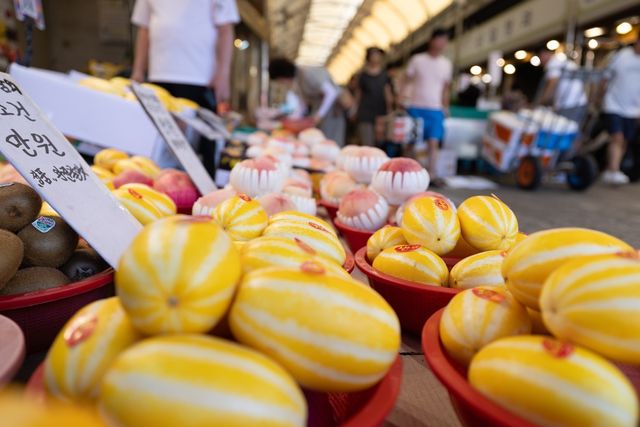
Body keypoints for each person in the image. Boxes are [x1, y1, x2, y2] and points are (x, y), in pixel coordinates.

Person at [130, 0, 239, 175]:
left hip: (200, 77)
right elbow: (144, 29)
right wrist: (138, 70)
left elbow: (225, 29)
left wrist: (223, 74)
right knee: (156, 145)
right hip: (158, 76)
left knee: (202, 148)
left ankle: (205, 189)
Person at [400, 29, 452, 185]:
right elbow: (406, 79)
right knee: (410, 142)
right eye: (439, 40)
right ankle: (406, 172)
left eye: (445, 41)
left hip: (435, 109)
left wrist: (445, 106)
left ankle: (432, 174)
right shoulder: (417, 60)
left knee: (433, 142)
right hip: (415, 106)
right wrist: (401, 97)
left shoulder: (446, 64)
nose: (442, 44)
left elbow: (445, 88)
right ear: (431, 40)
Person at [268, 58, 346, 146]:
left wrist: (319, 115)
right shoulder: (296, 81)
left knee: (331, 141)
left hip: (332, 111)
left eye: (280, 81)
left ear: (283, 75)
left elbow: (331, 92)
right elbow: (302, 104)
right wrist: (296, 121)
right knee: (319, 140)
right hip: (318, 111)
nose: (282, 83)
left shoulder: (308, 73)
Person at [600, 37, 640, 185]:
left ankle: (610, 169)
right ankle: (614, 170)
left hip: (633, 109)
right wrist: (599, 97)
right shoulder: (621, 55)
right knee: (617, 137)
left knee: (624, 141)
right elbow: (605, 78)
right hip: (613, 104)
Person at [352, 47, 393, 146]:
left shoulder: (385, 75)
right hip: (365, 112)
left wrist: (390, 109)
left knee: (380, 142)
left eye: (378, 55)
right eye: (373, 55)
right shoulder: (362, 76)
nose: (375, 57)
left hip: (381, 112)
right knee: (367, 141)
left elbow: (387, 93)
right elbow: (358, 94)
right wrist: (354, 110)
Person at [538, 47, 588, 124]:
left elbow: (553, 83)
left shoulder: (553, 63)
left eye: (541, 56)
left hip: (568, 104)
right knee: (572, 128)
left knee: (565, 128)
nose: (540, 60)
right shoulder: (562, 61)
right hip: (579, 103)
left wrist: (540, 102)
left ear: (546, 54)